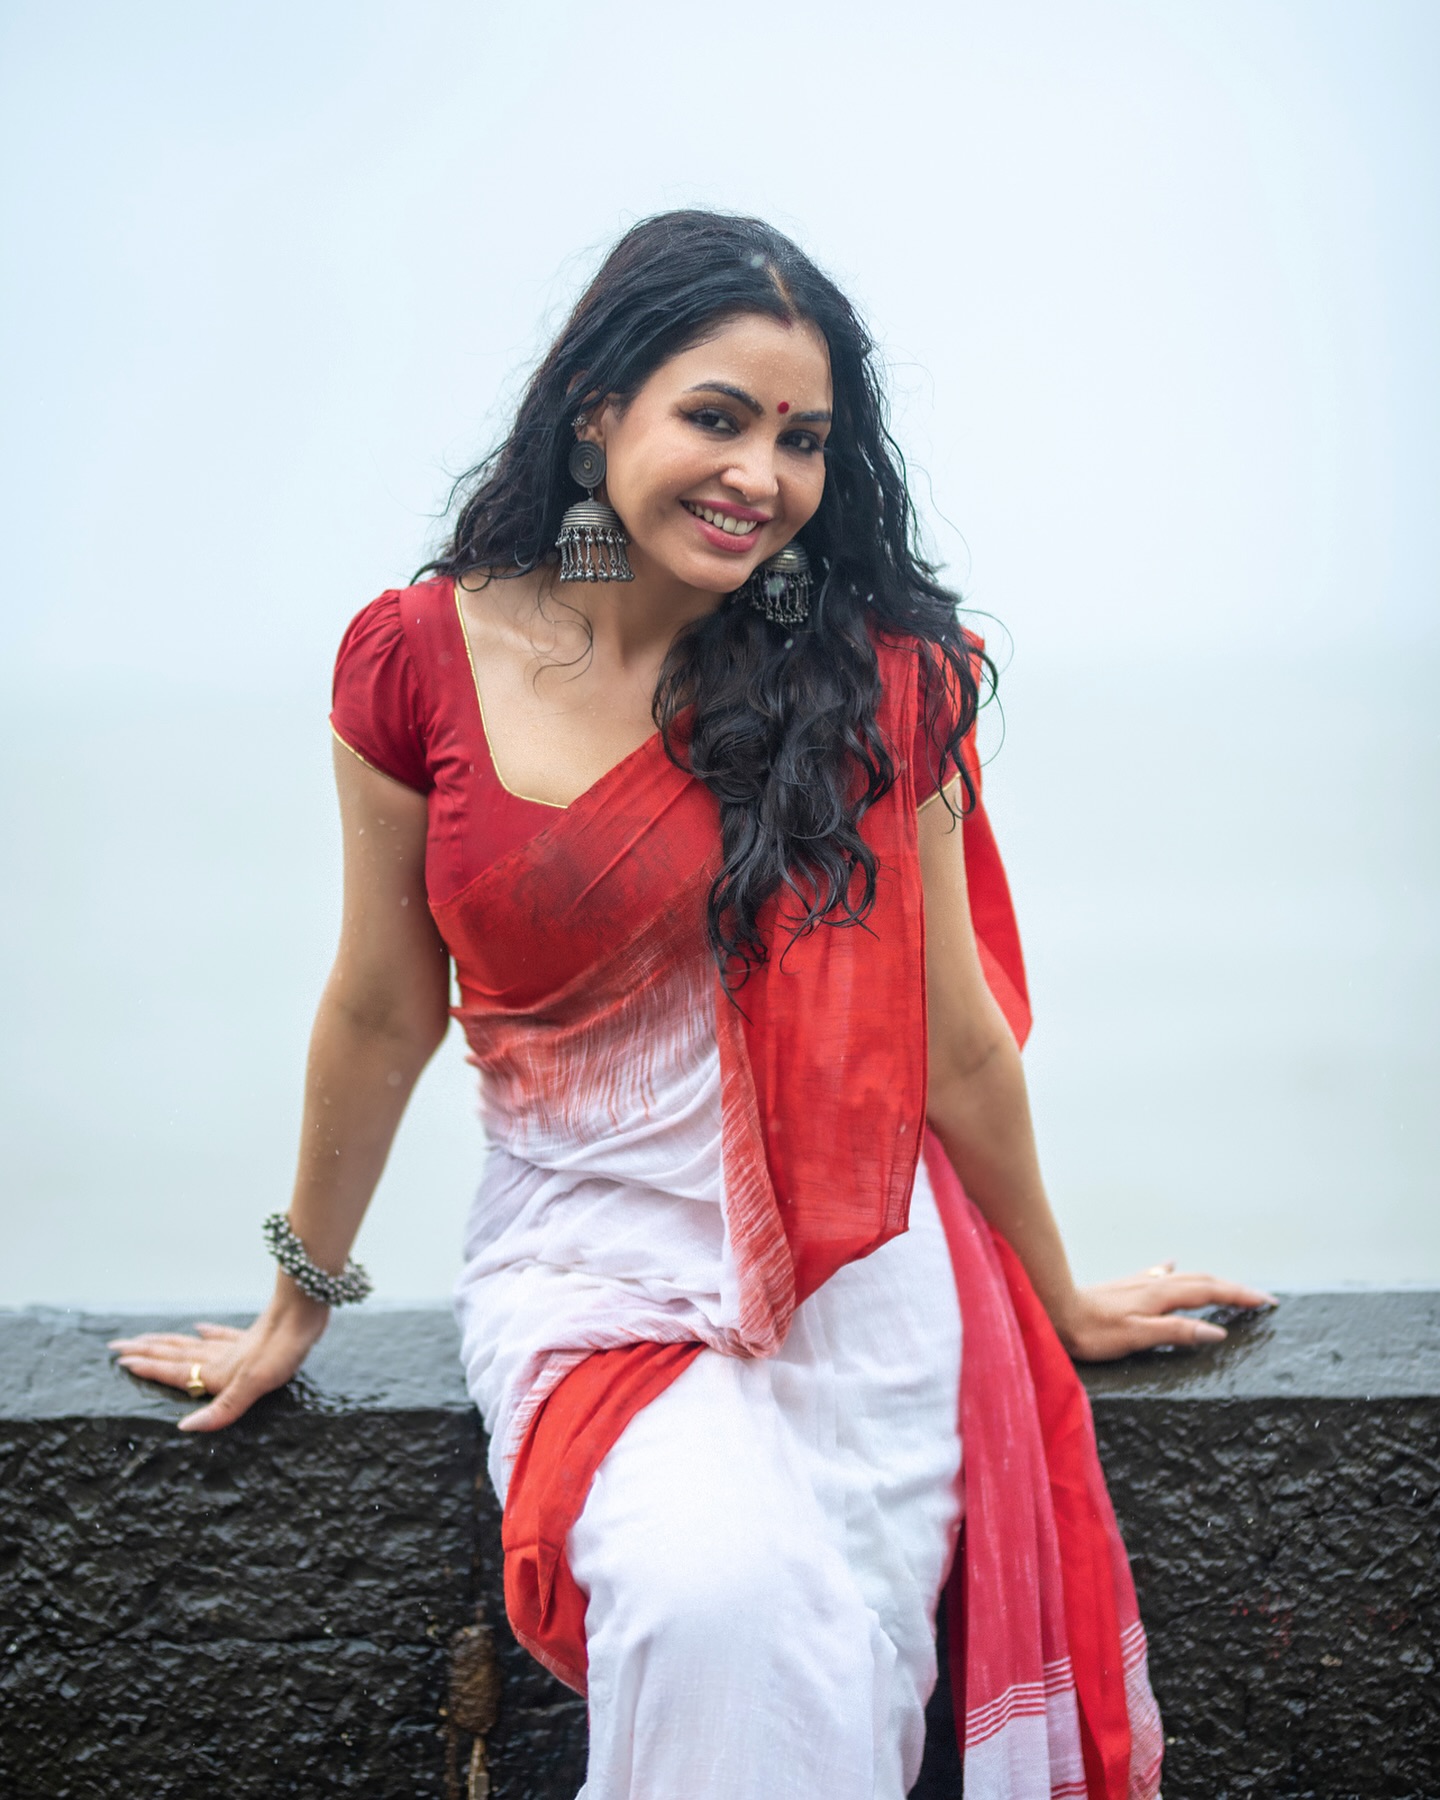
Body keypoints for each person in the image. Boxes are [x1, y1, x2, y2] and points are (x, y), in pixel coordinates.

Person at [107, 210, 1274, 1800]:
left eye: (802, 440)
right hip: (583, 1270)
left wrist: (1057, 1292)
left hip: (861, 1291)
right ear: (598, 408)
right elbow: (384, 1011)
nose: (762, 477)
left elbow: (952, 1042)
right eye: (716, 418)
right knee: (719, 1590)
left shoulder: (871, 684)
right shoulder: (419, 659)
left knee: (821, 1631)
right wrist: (300, 1294)